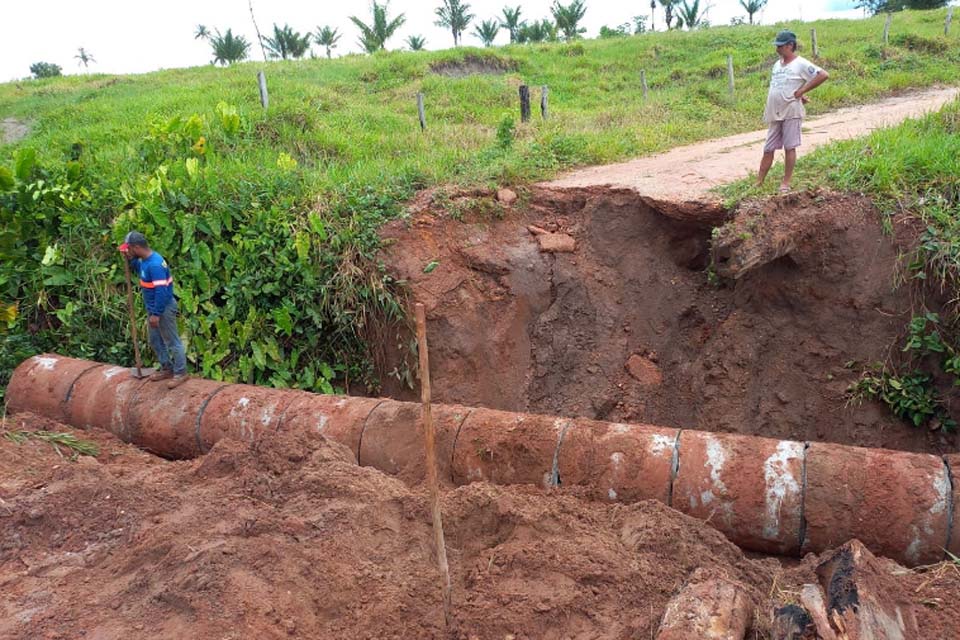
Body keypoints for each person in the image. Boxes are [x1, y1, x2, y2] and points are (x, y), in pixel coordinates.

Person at [757, 29, 830, 192]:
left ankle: (785, 183)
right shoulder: (777, 64)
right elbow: (786, 84)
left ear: (790, 45)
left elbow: (823, 75)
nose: (777, 49)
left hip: (791, 111)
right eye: (777, 46)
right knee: (768, 148)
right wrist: (800, 94)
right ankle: (759, 182)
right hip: (775, 112)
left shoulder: (801, 63)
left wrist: (802, 91)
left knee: (789, 147)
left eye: (780, 46)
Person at [118, 231, 188, 388]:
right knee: (155, 339)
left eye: (129, 249)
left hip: (163, 308)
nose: (128, 251)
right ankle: (167, 368)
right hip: (154, 308)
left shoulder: (155, 264)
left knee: (172, 341)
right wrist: (130, 259)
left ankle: (181, 372)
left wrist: (156, 314)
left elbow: (161, 292)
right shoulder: (144, 261)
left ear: (136, 247)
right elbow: (140, 269)